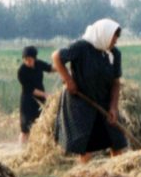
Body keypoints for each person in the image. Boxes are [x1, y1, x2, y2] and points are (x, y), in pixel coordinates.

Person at [51, 18, 128, 163]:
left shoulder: (114, 54)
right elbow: (56, 57)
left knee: (116, 139)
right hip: (81, 103)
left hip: (104, 102)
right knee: (86, 143)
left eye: (116, 38)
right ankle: (85, 175)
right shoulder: (81, 47)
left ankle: (118, 173)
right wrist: (69, 80)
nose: (116, 41)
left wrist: (113, 107)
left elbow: (116, 83)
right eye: (114, 38)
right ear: (104, 35)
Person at [17, 45, 54, 144]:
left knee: (42, 125)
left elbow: (50, 68)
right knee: (25, 129)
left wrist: (61, 68)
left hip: (40, 102)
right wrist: (46, 95)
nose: (28, 62)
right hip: (28, 101)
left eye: (30, 59)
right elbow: (30, 89)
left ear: (34, 58)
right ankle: (21, 149)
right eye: (25, 59)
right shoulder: (21, 71)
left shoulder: (38, 64)